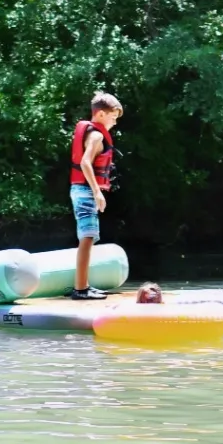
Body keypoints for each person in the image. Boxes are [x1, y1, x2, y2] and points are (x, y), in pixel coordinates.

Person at [69, 91, 123, 299]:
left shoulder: (95, 133)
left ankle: (83, 285)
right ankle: (80, 289)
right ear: (100, 114)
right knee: (88, 237)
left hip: (82, 189)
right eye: (113, 117)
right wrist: (96, 193)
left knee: (88, 237)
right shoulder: (97, 134)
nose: (114, 122)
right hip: (85, 191)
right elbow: (85, 162)